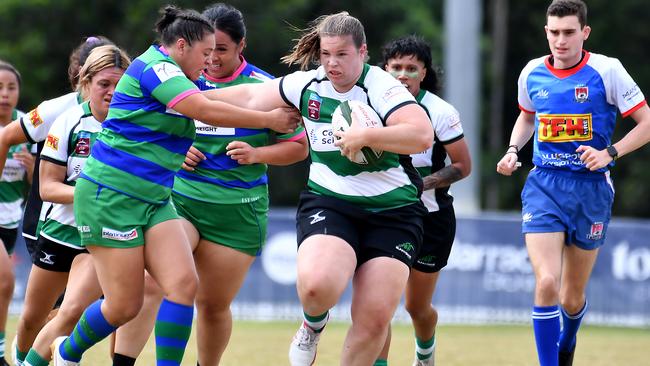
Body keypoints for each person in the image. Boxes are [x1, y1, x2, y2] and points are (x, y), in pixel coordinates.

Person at [50, 5, 299, 366]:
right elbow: (204, 108)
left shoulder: (182, 77)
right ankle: (65, 353)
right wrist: (267, 119)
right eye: (205, 51)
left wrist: (300, 86)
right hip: (113, 197)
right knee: (124, 305)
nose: (210, 60)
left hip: (154, 200)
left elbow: (231, 96)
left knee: (183, 286)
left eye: (218, 51)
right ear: (181, 45)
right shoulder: (155, 68)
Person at [201, 11, 433, 365]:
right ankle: (313, 323)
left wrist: (366, 135)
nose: (332, 63)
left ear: (363, 52)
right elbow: (249, 97)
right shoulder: (307, 85)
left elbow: (420, 135)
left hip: (395, 213)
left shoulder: (383, 87)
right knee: (315, 287)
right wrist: (185, 98)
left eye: (341, 55)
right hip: (332, 202)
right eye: (326, 54)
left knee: (373, 319)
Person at [496, 1, 650, 365]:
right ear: (546, 32)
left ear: (585, 32)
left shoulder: (607, 70)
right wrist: (513, 149)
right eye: (554, 32)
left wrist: (609, 153)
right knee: (546, 282)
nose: (560, 40)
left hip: (591, 191)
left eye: (568, 32)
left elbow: (646, 123)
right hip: (544, 185)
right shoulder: (532, 72)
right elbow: (527, 117)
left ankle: (567, 343)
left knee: (570, 297)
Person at [2, 36, 114, 366]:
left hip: (98, 231)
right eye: (100, 75)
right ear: (82, 73)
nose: (110, 86)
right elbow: (7, 135)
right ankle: (25, 356)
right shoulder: (59, 110)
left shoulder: (127, 117)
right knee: (36, 318)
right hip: (49, 222)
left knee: (70, 312)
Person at [374, 35, 472, 366]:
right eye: (396, 67)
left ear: (424, 72)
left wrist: (420, 183)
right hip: (384, 215)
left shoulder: (441, 112)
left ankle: (425, 354)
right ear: (383, 69)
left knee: (416, 307)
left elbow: (463, 166)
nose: (402, 75)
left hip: (431, 219)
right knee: (379, 304)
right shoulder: (367, 107)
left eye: (411, 69)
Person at [0, 60, 33, 366]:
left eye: (11, 87)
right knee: (6, 281)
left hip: (12, 219)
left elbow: (43, 185)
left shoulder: (27, 126)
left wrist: (33, 169)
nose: (5, 94)